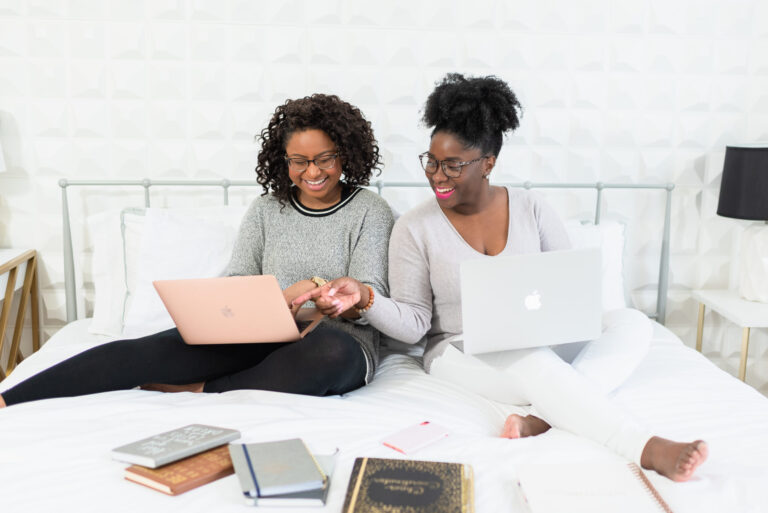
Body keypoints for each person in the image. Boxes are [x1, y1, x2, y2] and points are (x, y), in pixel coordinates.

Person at [294, 74, 708, 482]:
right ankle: (646, 447)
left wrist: (566, 322)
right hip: (460, 354)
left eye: (453, 165)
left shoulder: (532, 207)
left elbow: (569, 290)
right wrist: (366, 297)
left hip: (541, 340)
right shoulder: (415, 227)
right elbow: (414, 325)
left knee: (632, 322)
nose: (437, 175)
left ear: (488, 163)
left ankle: (542, 418)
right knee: (533, 361)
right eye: (432, 162)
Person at [0, 93, 394, 408]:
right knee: (145, 350)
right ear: (283, 160)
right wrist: (279, 302)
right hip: (257, 335)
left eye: (324, 158)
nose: (312, 171)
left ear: (345, 153)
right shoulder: (265, 210)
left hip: (337, 340)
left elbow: (371, 295)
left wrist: (327, 298)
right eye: (299, 161)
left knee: (329, 354)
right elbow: (239, 283)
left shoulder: (370, 212)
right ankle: (7, 398)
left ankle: (205, 390)